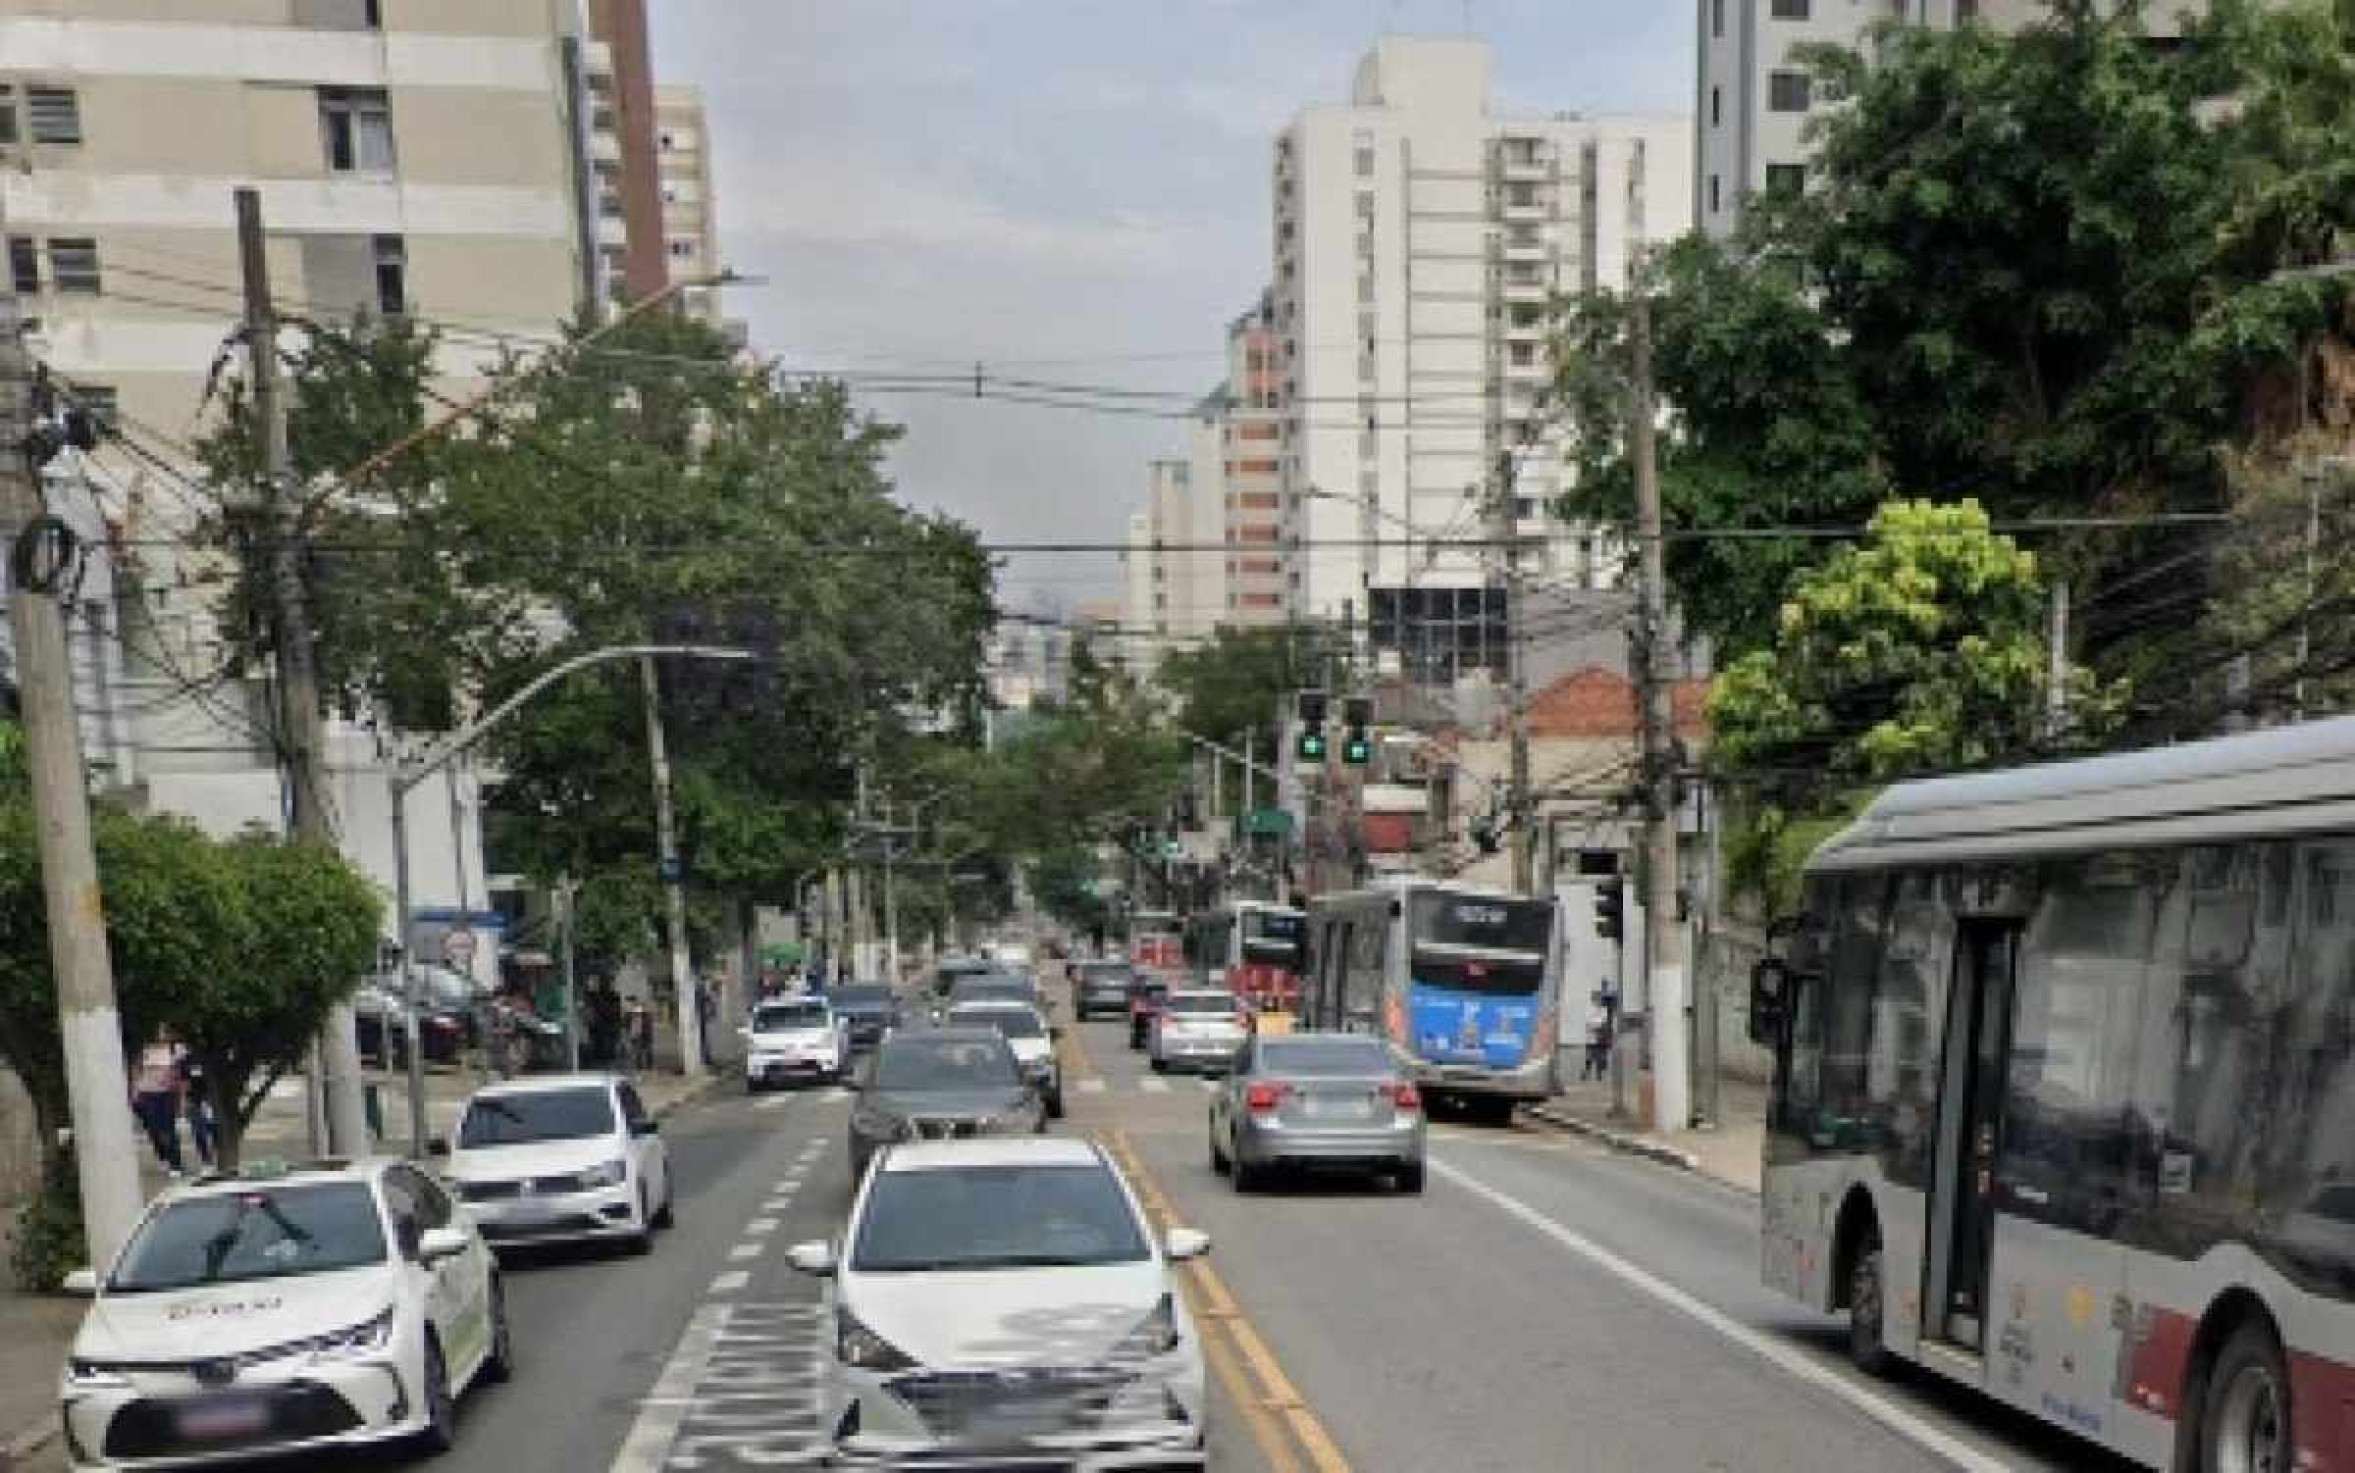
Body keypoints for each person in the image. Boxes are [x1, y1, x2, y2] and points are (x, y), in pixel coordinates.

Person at [129, 1029, 186, 1175]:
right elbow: (136, 1068)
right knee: (153, 1128)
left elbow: (181, 1074)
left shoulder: (175, 1049)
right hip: (147, 1093)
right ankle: (162, 1155)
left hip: (166, 1094)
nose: (161, 1035)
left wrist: (181, 1097)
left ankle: (176, 1164)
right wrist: (135, 1090)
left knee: (169, 1130)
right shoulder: (145, 1048)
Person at [178, 1051, 217, 1169]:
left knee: (214, 1127)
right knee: (198, 1130)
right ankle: (206, 1158)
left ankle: (216, 1152)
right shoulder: (186, 1060)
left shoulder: (213, 1057)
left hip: (211, 1098)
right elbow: (184, 1083)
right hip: (194, 1099)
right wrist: (183, 1102)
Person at [1582, 986, 1616, 1082]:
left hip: (1600, 1037)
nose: (1598, 1000)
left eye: (1599, 998)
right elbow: (1589, 1022)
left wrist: (1601, 1026)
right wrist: (1598, 1024)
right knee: (1589, 1056)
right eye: (1596, 998)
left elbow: (1605, 1021)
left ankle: (1598, 1074)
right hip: (1591, 1036)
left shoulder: (1603, 1010)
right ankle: (1587, 1072)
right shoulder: (1589, 1009)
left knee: (1600, 1056)